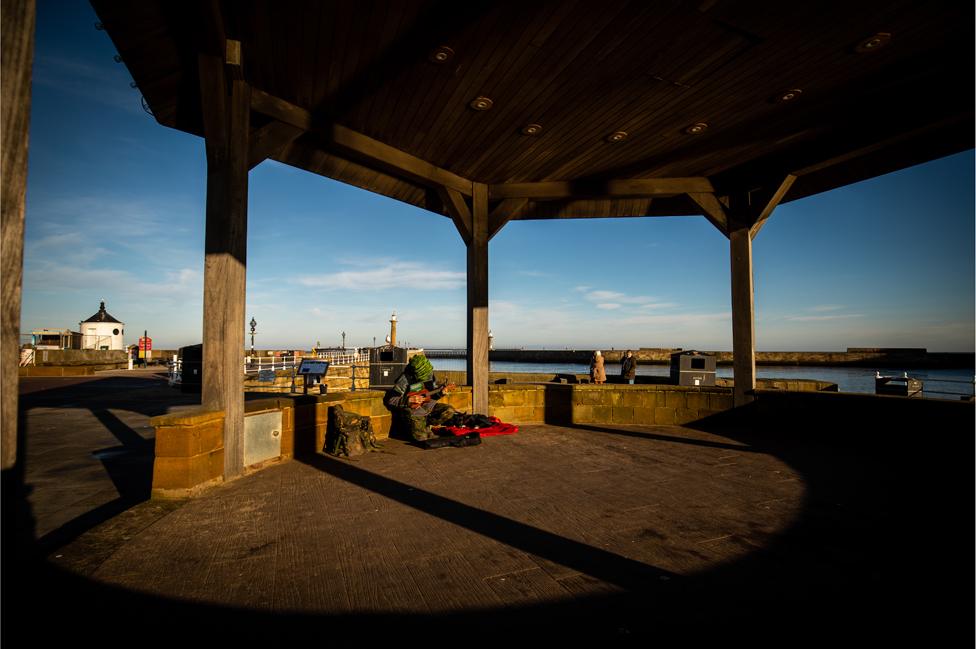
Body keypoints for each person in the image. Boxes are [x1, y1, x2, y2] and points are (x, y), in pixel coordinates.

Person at [386, 353, 457, 441]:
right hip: (412, 412)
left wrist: (441, 392)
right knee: (422, 438)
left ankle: (425, 425)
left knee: (449, 410)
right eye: (425, 375)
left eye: (429, 373)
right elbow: (391, 400)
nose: (428, 376)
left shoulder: (430, 374)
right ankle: (413, 429)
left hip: (427, 409)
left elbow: (429, 394)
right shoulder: (405, 379)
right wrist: (408, 400)